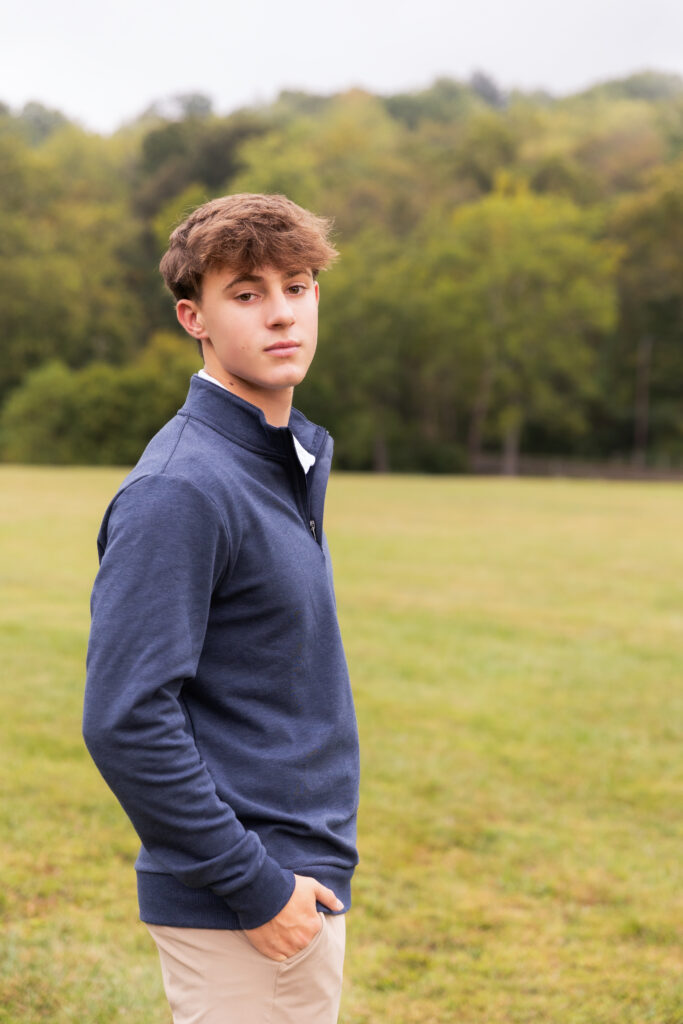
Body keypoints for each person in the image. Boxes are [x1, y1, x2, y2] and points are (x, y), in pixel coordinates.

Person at [83, 193, 360, 1024]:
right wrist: (255, 885)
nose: (282, 314)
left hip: (293, 880)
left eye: (299, 286)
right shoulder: (181, 488)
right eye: (247, 293)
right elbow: (125, 718)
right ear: (192, 316)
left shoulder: (276, 456)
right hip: (248, 898)